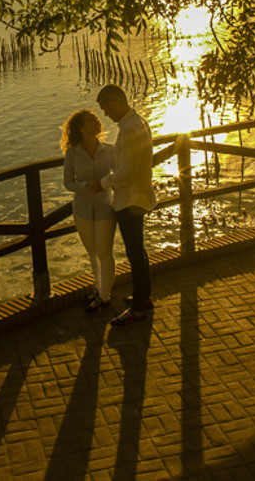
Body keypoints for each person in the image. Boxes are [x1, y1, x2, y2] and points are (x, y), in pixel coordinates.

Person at [90, 84, 156, 328]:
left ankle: (138, 310)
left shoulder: (128, 130)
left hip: (129, 199)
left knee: (135, 254)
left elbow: (126, 172)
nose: (106, 114)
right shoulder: (140, 121)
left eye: (105, 108)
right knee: (139, 251)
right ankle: (144, 297)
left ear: (115, 103)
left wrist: (103, 182)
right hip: (140, 194)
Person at [62, 109, 117, 314]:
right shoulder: (72, 153)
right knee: (92, 252)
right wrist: (85, 186)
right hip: (83, 209)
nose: (97, 122)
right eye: (91, 120)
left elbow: (119, 173)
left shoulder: (110, 150)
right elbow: (68, 183)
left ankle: (105, 297)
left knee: (105, 253)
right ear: (81, 128)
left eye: (97, 119)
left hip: (105, 206)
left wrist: (104, 184)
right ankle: (98, 288)